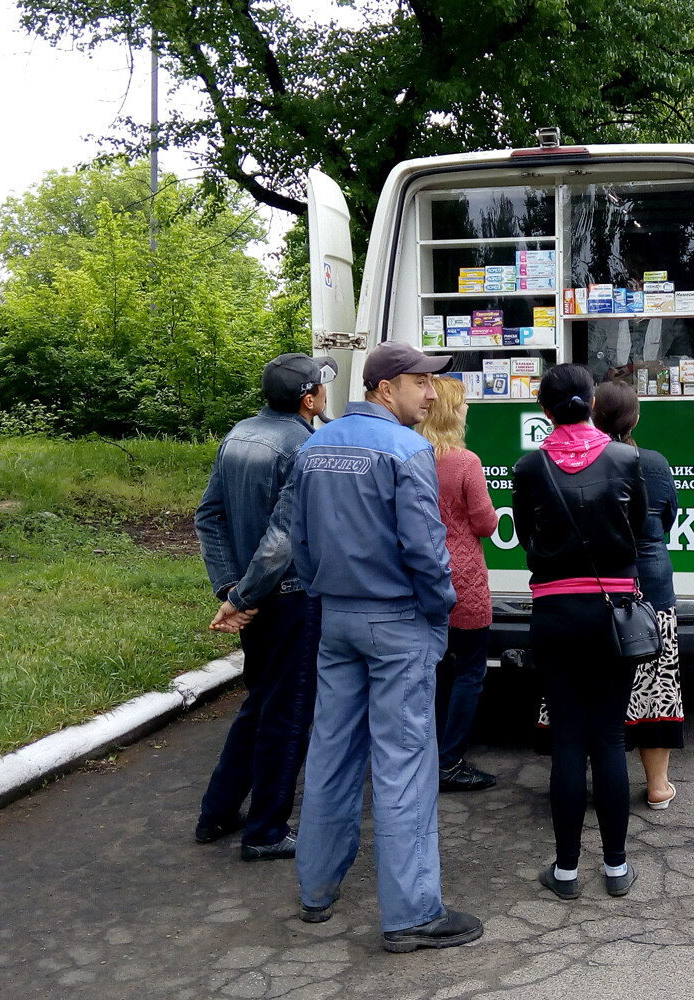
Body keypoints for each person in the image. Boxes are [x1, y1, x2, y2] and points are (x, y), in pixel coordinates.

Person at [288, 341, 484, 953]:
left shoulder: (315, 445)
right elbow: (426, 550)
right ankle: (411, 914)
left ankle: (316, 890)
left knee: (330, 755)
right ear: (385, 387)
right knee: (403, 765)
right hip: (397, 621)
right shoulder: (407, 450)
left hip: (337, 621)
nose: (431, 395)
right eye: (421, 383)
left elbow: (297, 540)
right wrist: (440, 610)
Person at [192, 353, 336, 861]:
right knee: (288, 713)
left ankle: (216, 811)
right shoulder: (307, 446)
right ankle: (266, 831)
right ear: (308, 399)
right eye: (321, 388)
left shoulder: (239, 435)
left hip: (254, 603)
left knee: (259, 704)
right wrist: (243, 596)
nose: (324, 396)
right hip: (291, 599)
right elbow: (284, 538)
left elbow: (209, 516)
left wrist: (230, 590)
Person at [513, 364, 647, 900]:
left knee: (568, 739)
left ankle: (565, 871)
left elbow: (525, 535)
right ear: (592, 404)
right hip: (613, 611)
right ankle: (616, 868)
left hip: (554, 613)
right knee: (610, 737)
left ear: (544, 411)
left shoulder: (528, 467)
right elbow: (636, 530)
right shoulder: (625, 458)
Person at [590, 380, 683, 809]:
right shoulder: (657, 463)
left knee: (596, 684)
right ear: (636, 417)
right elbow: (665, 520)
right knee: (656, 682)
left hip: (598, 587)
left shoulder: (581, 461)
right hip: (651, 586)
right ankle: (659, 785)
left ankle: (600, 778)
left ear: (592, 414)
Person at [417, 376, 501, 793]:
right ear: (452, 412)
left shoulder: (410, 456)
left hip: (421, 579)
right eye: (464, 403)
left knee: (433, 670)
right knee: (470, 670)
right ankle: (450, 761)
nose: (468, 409)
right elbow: (485, 523)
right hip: (463, 578)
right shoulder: (465, 462)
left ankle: (427, 755)